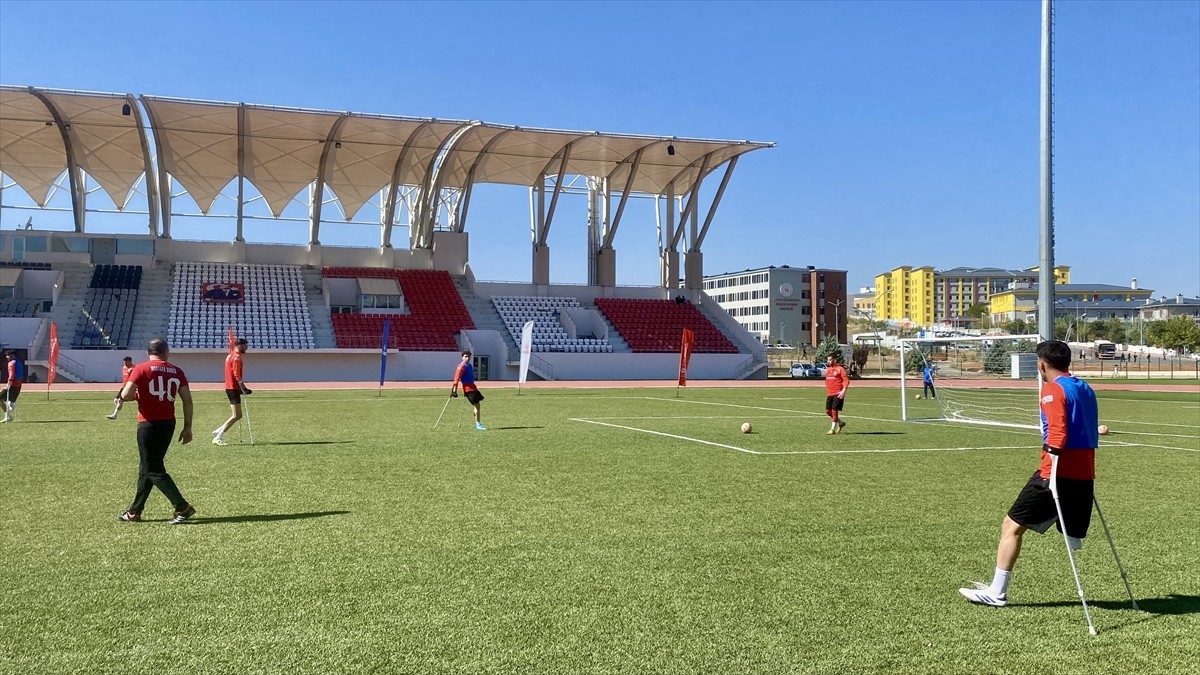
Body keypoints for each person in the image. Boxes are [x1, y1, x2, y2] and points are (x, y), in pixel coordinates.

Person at [959, 340, 1098, 607]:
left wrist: (1051, 469)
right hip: (1085, 472)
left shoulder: (1051, 390)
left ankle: (996, 592)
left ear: (1042, 364)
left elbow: (1057, 433)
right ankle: (1072, 531)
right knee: (1065, 525)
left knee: (1011, 526)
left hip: (1055, 473)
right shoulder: (1085, 388)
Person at [116, 339, 197, 524]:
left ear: (148, 352)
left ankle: (182, 506)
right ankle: (134, 511)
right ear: (165, 351)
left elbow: (126, 394)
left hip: (148, 424)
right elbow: (187, 400)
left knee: (152, 468)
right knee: (147, 467)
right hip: (169, 423)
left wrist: (134, 396)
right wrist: (188, 427)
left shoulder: (141, 369)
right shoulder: (177, 371)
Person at [212, 337, 251, 446]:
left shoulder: (230, 356)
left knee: (237, 415)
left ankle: (217, 431)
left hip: (231, 387)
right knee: (236, 415)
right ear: (239, 345)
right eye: (245, 346)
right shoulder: (237, 358)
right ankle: (219, 436)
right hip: (233, 387)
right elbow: (237, 375)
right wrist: (244, 388)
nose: (246, 348)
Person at [451, 350, 486, 430]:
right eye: (466, 356)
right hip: (468, 389)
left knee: (478, 406)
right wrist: (454, 390)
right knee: (477, 405)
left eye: (469, 356)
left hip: (473, 387)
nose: (468, 358)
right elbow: (456, 378)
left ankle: (478, 423)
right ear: (462, 357)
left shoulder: (469, 365)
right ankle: (478, 424)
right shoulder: (461, 367)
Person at [823, 351, 850, 435]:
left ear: (834, 360)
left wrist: (843, 390)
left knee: (834, 410)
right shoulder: (828, 370)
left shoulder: (840, 369)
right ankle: (840, 423)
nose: (828, 361)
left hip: (838, 393)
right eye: (827, 360)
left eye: (830, 360)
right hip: (830, 393)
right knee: (828, 411)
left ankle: (832, 429)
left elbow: (846, 380)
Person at [1, 350, 24, 423]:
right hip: (18, 385)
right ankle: (11, 403)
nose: (6, 357)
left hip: (13, 385)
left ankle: (8, 415)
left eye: (8, 355)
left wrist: (8, 385)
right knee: (6, 398)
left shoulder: (11, 363)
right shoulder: (19, 362)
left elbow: (11, 375)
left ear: (12, 355)